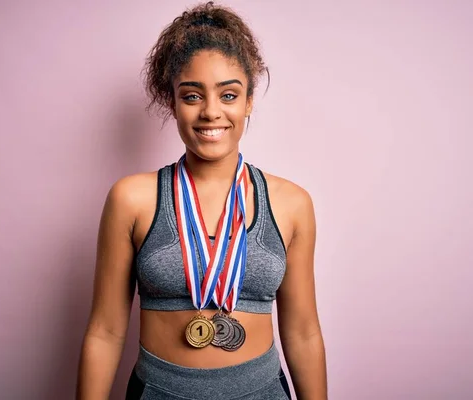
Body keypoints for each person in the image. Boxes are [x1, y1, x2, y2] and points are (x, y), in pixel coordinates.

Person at [77, 2, 327, 399]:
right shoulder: (132, 199)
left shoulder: (291, 203)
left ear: (248, 102)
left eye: (228, 94)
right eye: (192, 96)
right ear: (171, 102)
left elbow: (303, 332)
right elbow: (105, 332)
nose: (212, 112)